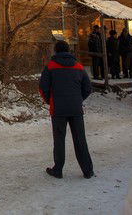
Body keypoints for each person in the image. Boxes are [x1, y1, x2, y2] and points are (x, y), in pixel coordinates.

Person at [39, 40, 94, 179]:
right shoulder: (79, 66)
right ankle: (87, 170)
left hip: (58, 108)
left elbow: (43, 87)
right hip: (76, 108)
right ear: (69, 50)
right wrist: (78, 99)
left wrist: (49, 100)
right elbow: (88, 88)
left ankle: (58, 169)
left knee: (59, 139)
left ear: (56, 51)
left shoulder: (50, 66)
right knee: (80, 139)